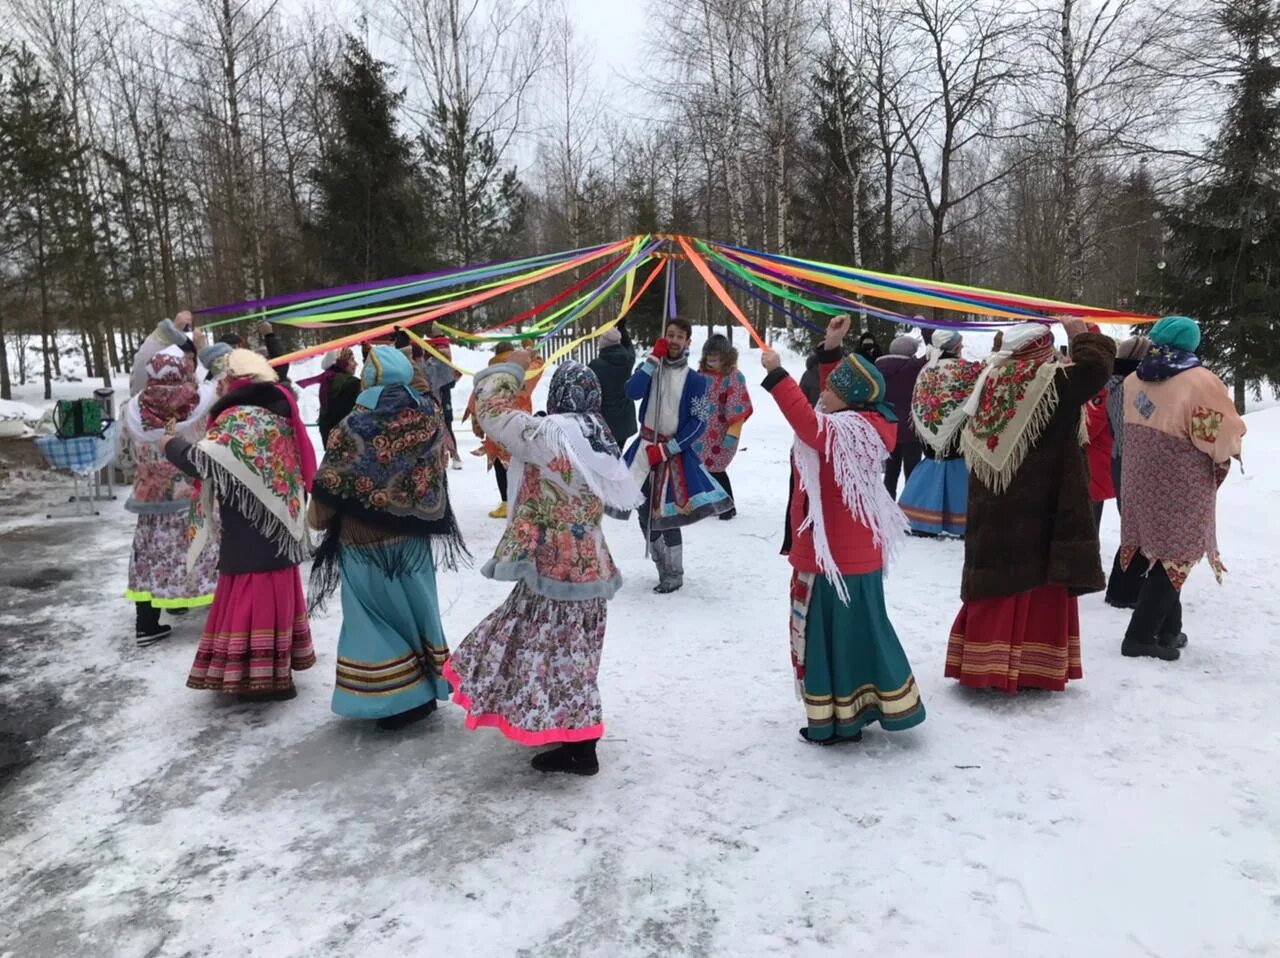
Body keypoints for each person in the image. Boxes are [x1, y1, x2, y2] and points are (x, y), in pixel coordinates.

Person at [445, 356, 642, 776]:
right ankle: (569, 733)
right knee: (571, 655)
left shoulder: (548, 434)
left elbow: (492, 412)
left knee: (553, 654)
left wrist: (511, 370)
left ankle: (582, 746)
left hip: (555, 567)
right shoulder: (598, 432)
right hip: (589, 564)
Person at [760, 315, 924, 744]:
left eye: (830, 389)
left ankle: (838, 722)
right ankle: (857, 712)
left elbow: (807, 420)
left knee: (828, 640)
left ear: (847, 400)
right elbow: (834, 398)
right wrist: (832, 349)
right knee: (855, 637)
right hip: (851, 556)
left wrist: (777, 373)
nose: (823, 393)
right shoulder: (866, 421)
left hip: (833, 559)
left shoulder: (845, 431)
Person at [945, 321, 1115, 694]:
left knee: (1000, 583)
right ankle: (1032, 667)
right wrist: (1081, 335)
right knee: (1036, 585)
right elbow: (1096, 369)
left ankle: (983, 662)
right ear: (1041, 348)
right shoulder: (1047, 382)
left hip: (994, 503)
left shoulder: (992, 377)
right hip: (1041, 502)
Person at [308, 345, 468, 728]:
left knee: (373, 619)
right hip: (414, 540)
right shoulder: (428, 416)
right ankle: (426, 687)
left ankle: (396, 697)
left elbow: (331, 484)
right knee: (416, 612)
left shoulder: (354, 425)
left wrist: (317, 518)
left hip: (362, 542)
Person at [162, 349, 317, 701]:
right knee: (273, 587)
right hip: (278, 520)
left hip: (249, 527)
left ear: (235, 380)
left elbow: (203, 461)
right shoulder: (277, 409)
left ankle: (255, 676)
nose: (218, 387)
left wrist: (171, 445)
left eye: (222, 379)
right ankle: (273, 670)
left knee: (252, 591)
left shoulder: (241, 418)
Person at [1118, 316, 1246, 661]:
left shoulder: (1135, 377)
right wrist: (1232, 444)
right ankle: (1140, 635)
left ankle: (1168, 629)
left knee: (1159, 547)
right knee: (1179, 550)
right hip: (1179, 478)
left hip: (1139, 476)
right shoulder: (1198, 382)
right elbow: (1215, 435)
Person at [623, 317, 732, 592]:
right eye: (670, 335)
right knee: (643, 511)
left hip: (672, 453)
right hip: (643, 450)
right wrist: (650, 362)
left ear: (687, 342)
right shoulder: (650, 368)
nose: (673, 340)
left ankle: (673, 574)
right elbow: (631, 392)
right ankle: (661, 565)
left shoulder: (695, 380)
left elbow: (698, 422)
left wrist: (669, 448)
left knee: (667, 515)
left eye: (679, 336)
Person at [123, 347, 221, 644]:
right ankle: (220, 619)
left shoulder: (133, 407)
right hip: (194, 493)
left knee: (152, 555)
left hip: (152, 498)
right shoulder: (199, 402)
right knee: (206, 552)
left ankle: (147, 624)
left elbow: (123, 453)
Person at [898, 330, 982, 538]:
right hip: (958, 434)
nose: (961, 349)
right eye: (960, 346)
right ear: (954, 347)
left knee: (936, 461)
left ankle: (921, 515)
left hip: (930, 434)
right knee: (958, 470)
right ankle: (959, 520)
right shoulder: (966, 370)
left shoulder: (927, 369)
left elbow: (919, 400)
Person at [464, 340, 546, 518]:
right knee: (520, 462)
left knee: (500, 464)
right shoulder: (521, 374)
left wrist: (476, 420)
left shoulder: (487, 377)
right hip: (519, 424)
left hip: (494, 427)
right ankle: (522, 500)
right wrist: (532, 351)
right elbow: (539, 366)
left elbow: (475, 399)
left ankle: (506, 502)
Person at [1103, 336, 1152, 609]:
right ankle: (1127, 591)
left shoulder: (1114, 382)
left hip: (1121, 459)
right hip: (1130, 459)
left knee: (1133, 526)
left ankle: (1123, 589)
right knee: (1138, 528)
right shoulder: (1128, 387)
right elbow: (1149, 414)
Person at [692, 333, 753, 520]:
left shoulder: (734, 377)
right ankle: (709, 503)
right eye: (708, 358)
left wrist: (733, 433)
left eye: (715, 359)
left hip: (721, 434)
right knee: (701, 469)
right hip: (700, 433)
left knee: (717, 469)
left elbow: (738, 403)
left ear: (725, 358)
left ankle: (728, 506)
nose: (711, 362)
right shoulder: (701, 375)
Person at [876, 334, 928, 498]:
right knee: (912, 473)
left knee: (891, 473)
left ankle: (887, 508)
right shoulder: (912, 368)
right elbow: (936, 349)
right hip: (911, 431)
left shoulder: (878, 368)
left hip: (888, 429)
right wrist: (925, 327)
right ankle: (910, 507)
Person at [588, 320, 638, 447]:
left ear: (603, 344)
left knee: (605, 460)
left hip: (606, 424)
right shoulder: (628, 360)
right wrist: (622, 327)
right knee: (617, 457)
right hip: (625, 423)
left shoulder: (596, 366)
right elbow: (628, 345)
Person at [299, 348, 361, 449]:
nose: (356, 364)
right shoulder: (352, 384)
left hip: (329, 438)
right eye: (352, 360)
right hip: (349, 440)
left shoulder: (327, 381)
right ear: (342, 363)